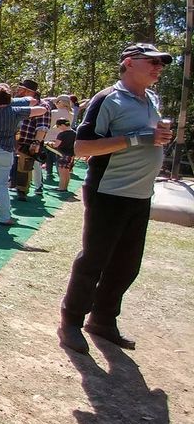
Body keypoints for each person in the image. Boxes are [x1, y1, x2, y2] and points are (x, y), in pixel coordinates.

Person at [58, 43, 174, 355]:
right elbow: (82, 148)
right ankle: (71, 321)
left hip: (140, 195)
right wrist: (140, 139)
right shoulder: (108, 98)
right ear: (128, 63)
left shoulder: (151, 99)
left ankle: (103, 321)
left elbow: (148, 139)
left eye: (160, 63)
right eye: (150, 62)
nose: (157, 67)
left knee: (126, 265)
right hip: (109, 192)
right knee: (94, 260)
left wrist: (160, 137)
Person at [0, 84, 47, 226]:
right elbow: (41, 108)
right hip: (4, 152)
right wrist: (11, 103)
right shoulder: (15, 111)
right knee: (2, 185)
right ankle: (5, 217)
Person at [13, 79, 50, 199]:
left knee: (25, 167)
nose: (18, 91)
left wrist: (36, 142)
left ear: (28, 91)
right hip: (14, 140)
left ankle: (22, 191)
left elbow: (42, 127)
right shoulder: (19, 103)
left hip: (28, 142)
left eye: (21, 89)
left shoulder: (42, 106)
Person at [47, 119, 78, 193]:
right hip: (71, 155)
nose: (58, 128)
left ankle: (61, 188)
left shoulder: (62, 134)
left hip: (62, 154)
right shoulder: (75, 133)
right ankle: (65, 187)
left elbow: (56, 145)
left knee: (62, 173)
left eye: (58, 126)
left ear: (62, 125)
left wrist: (49, 143)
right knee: (67, 172)